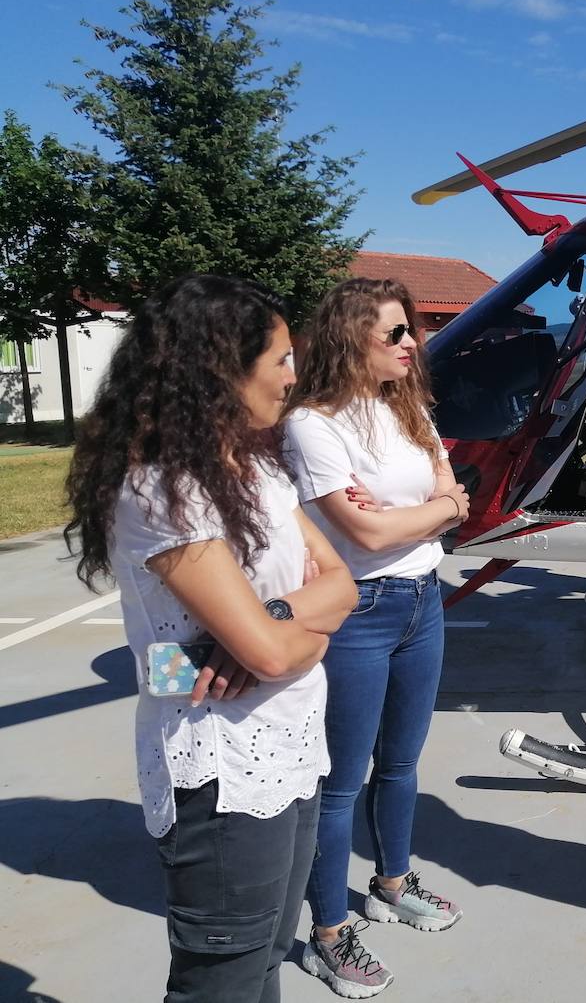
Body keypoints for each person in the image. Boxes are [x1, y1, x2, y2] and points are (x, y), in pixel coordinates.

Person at [64, 274, 359, 1003]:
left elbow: (343, 585)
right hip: (221, 772)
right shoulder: (164, 489)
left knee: (261, 965)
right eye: (282, 358)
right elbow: (250, 654)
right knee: (219, 983)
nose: (296, 375)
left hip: (289, 748)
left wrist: (282, 625)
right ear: (223, 366)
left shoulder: (256, 468)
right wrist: (290, 638)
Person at [284, 278, 469, 999]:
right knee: (341, 781)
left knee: (402, 762)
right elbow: (364, 531)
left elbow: (452, 494)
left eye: (409, 331)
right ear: (349, 337)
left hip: (425, 598)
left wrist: (426, 509)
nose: (409, 344)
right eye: (392, 333)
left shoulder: (408, 405)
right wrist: (429, 509)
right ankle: (328, 935)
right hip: (359, 611)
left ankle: (391, 884)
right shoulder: (314, 423)